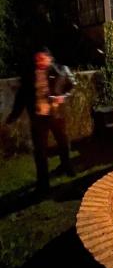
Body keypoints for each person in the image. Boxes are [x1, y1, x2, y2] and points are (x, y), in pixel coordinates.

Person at [6, 47, 76, 194]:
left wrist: (64, 96)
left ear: (50, 58)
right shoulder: (29, 75)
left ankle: (66, 166)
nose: (39, 62)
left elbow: (72, 85)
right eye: (37, 59)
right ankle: (43, 183)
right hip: (38, 118)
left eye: (42, 58)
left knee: (63, 142)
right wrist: (13, 115)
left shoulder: (61, 70)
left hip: (56, 115)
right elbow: (21, 97)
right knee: (40, 151)